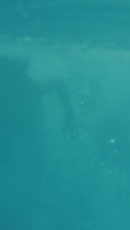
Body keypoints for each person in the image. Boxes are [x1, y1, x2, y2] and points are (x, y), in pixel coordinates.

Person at [0, 55, 76, 229]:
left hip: (28, 134)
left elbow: (59, 82)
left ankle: (33, 199)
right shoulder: (26, 86)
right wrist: (70, 116)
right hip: (15, 134)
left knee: (35, 165)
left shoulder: (30, 87)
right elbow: (59, 83)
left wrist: (71, 116)